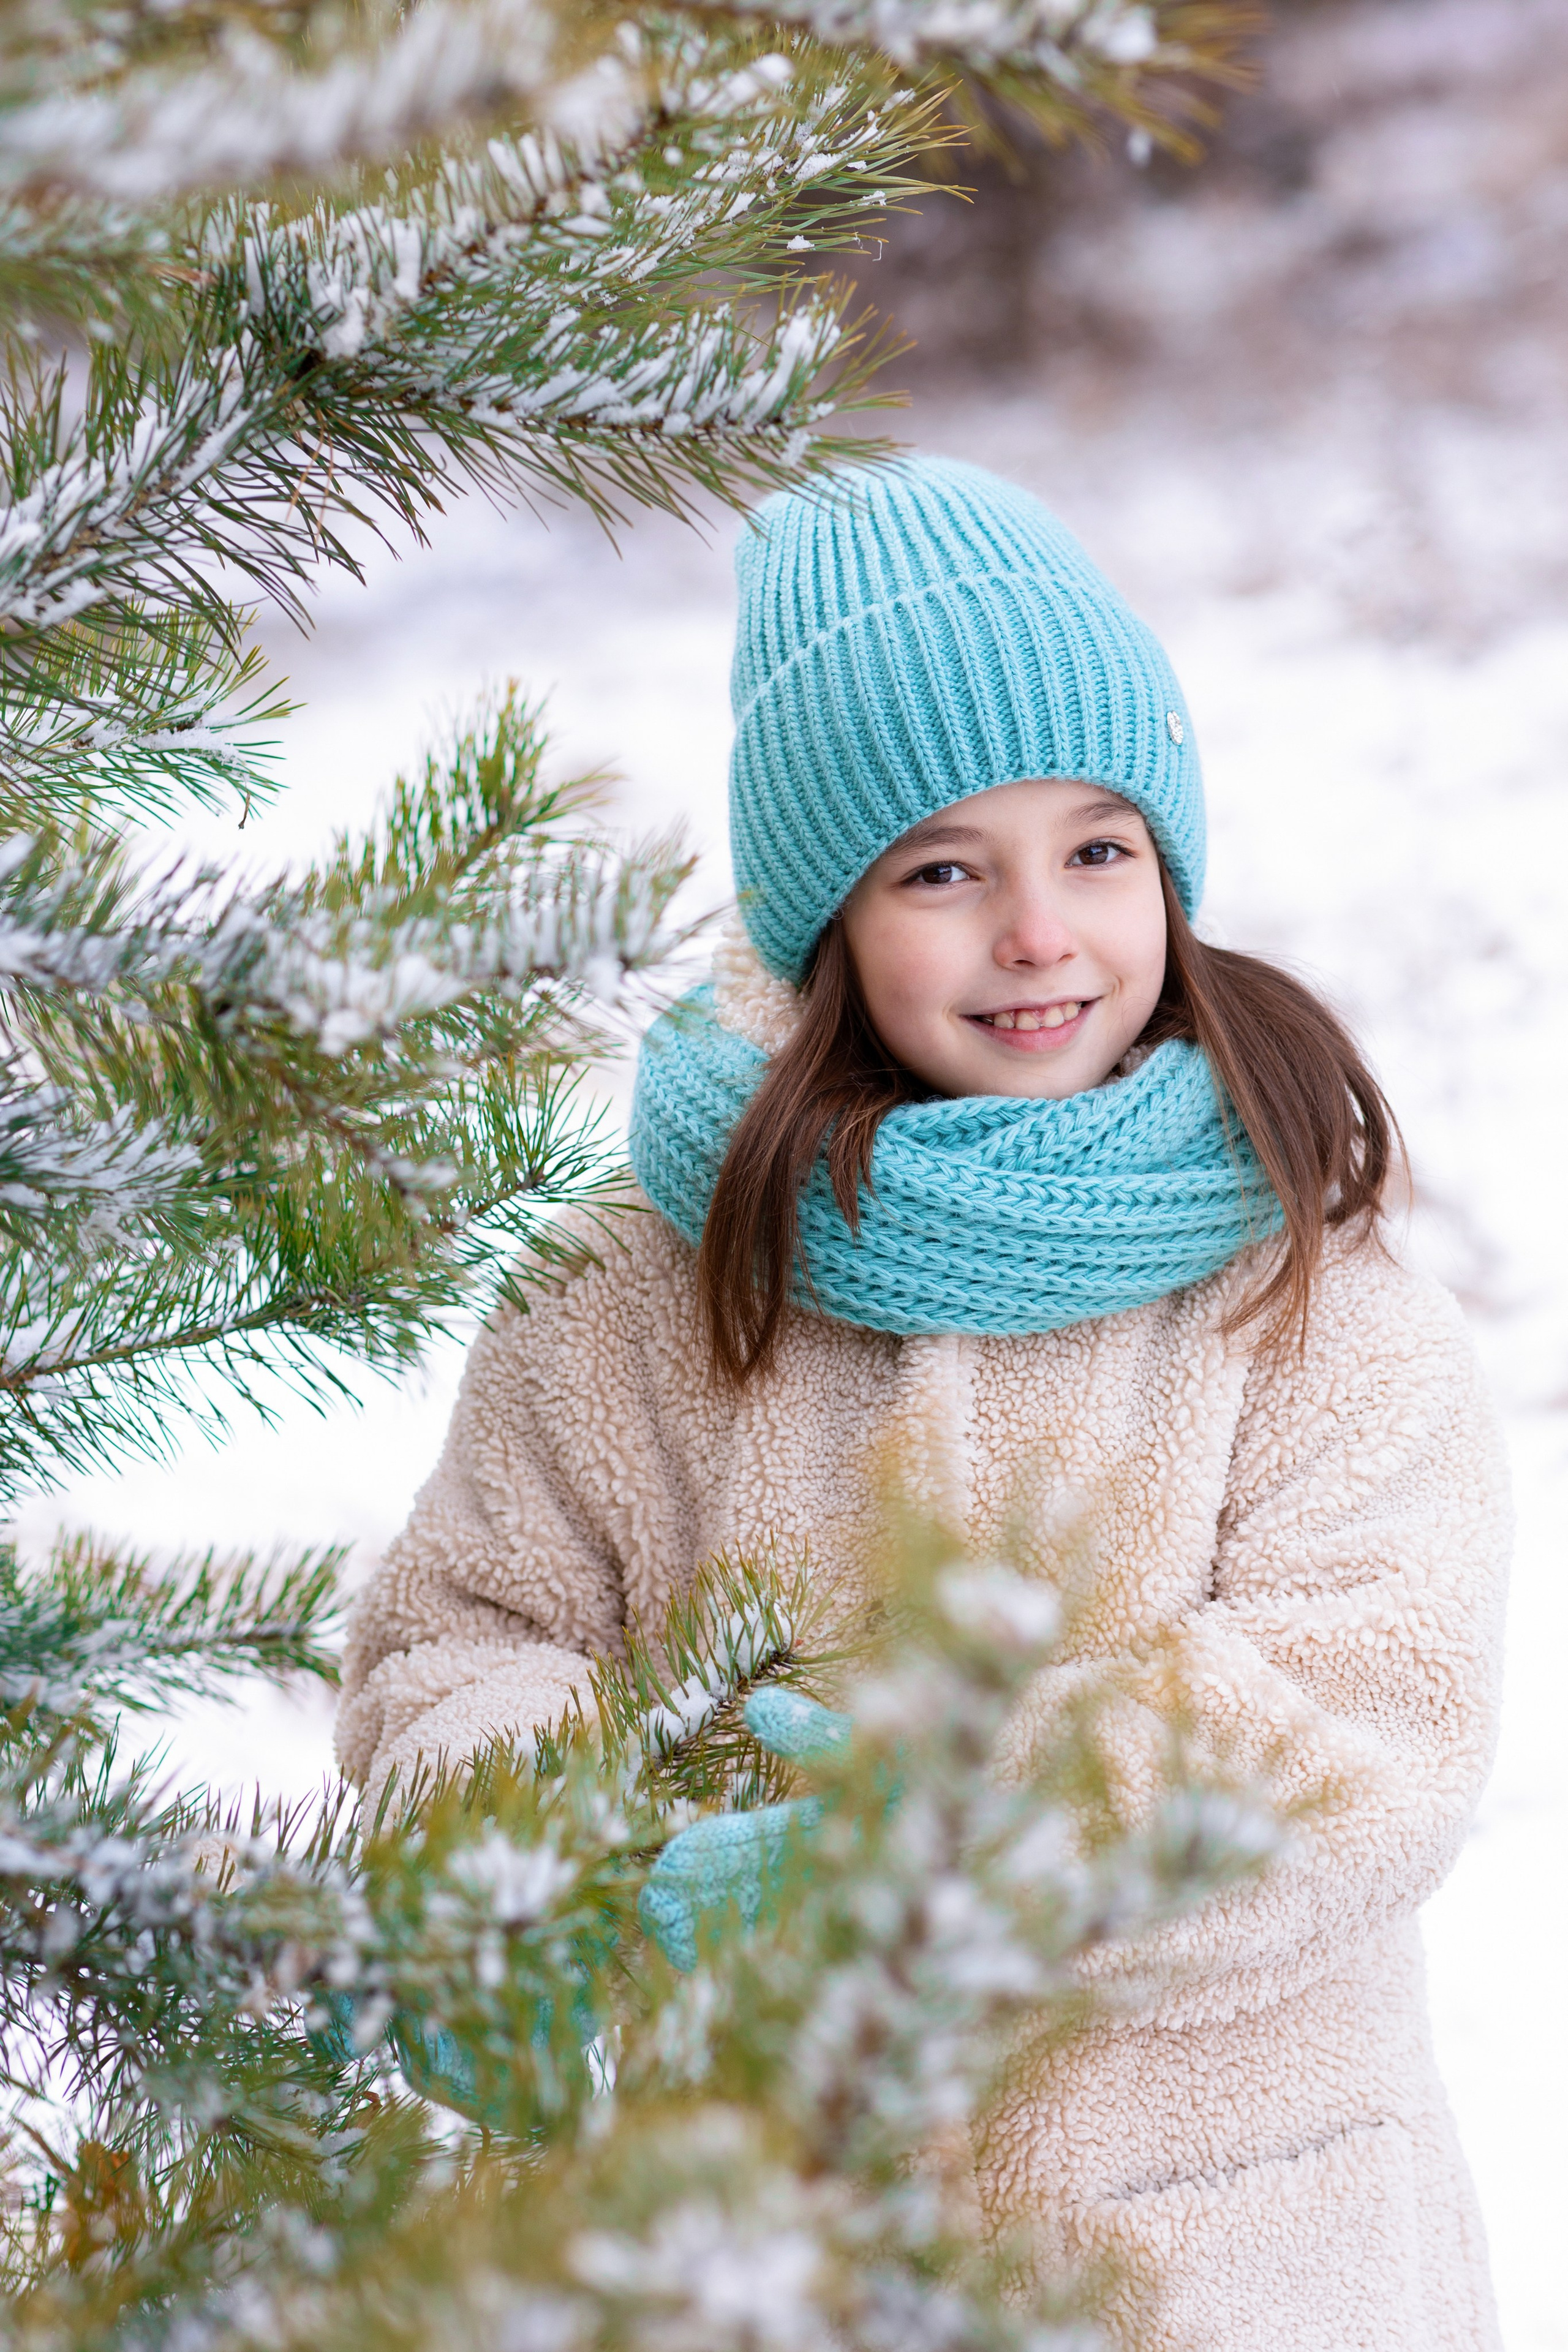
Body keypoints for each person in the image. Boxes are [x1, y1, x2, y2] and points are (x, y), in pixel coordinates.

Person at [335, 457, 1508, 2351]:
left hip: (1220, 2259)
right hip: (744, 2248)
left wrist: (927, 1841)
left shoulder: (1304, 1291)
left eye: (1099, 849)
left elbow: (1368, 1709)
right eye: (944, 870)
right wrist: (581, 1875)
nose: (1039, 933)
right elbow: (460, 1637)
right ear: (825, 927)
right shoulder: (634, 1293)